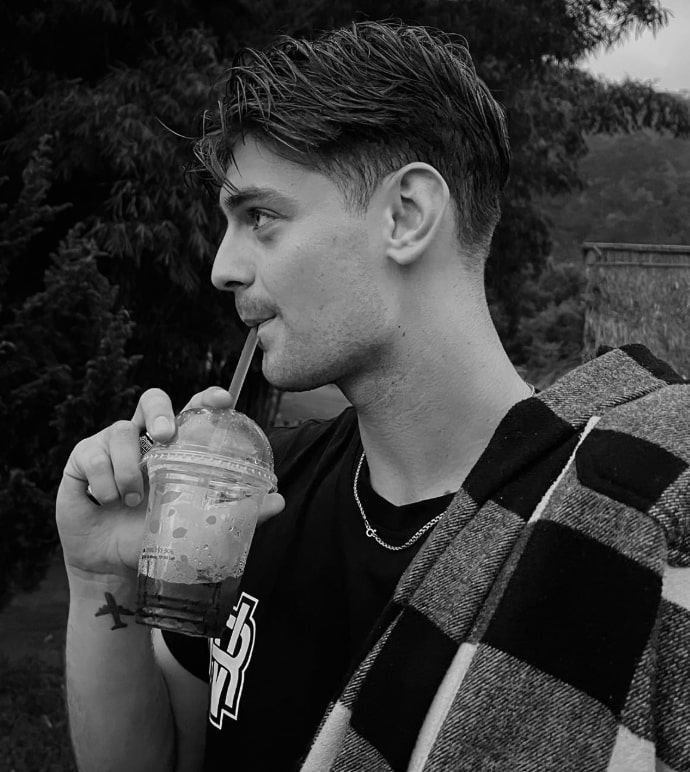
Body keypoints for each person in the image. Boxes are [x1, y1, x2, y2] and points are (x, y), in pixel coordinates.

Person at [57, 21, 690, 772]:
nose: (223, 267)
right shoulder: (256, 500)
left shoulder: (623, 529)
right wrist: (100, 582)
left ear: (406, 216)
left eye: (260, 217)